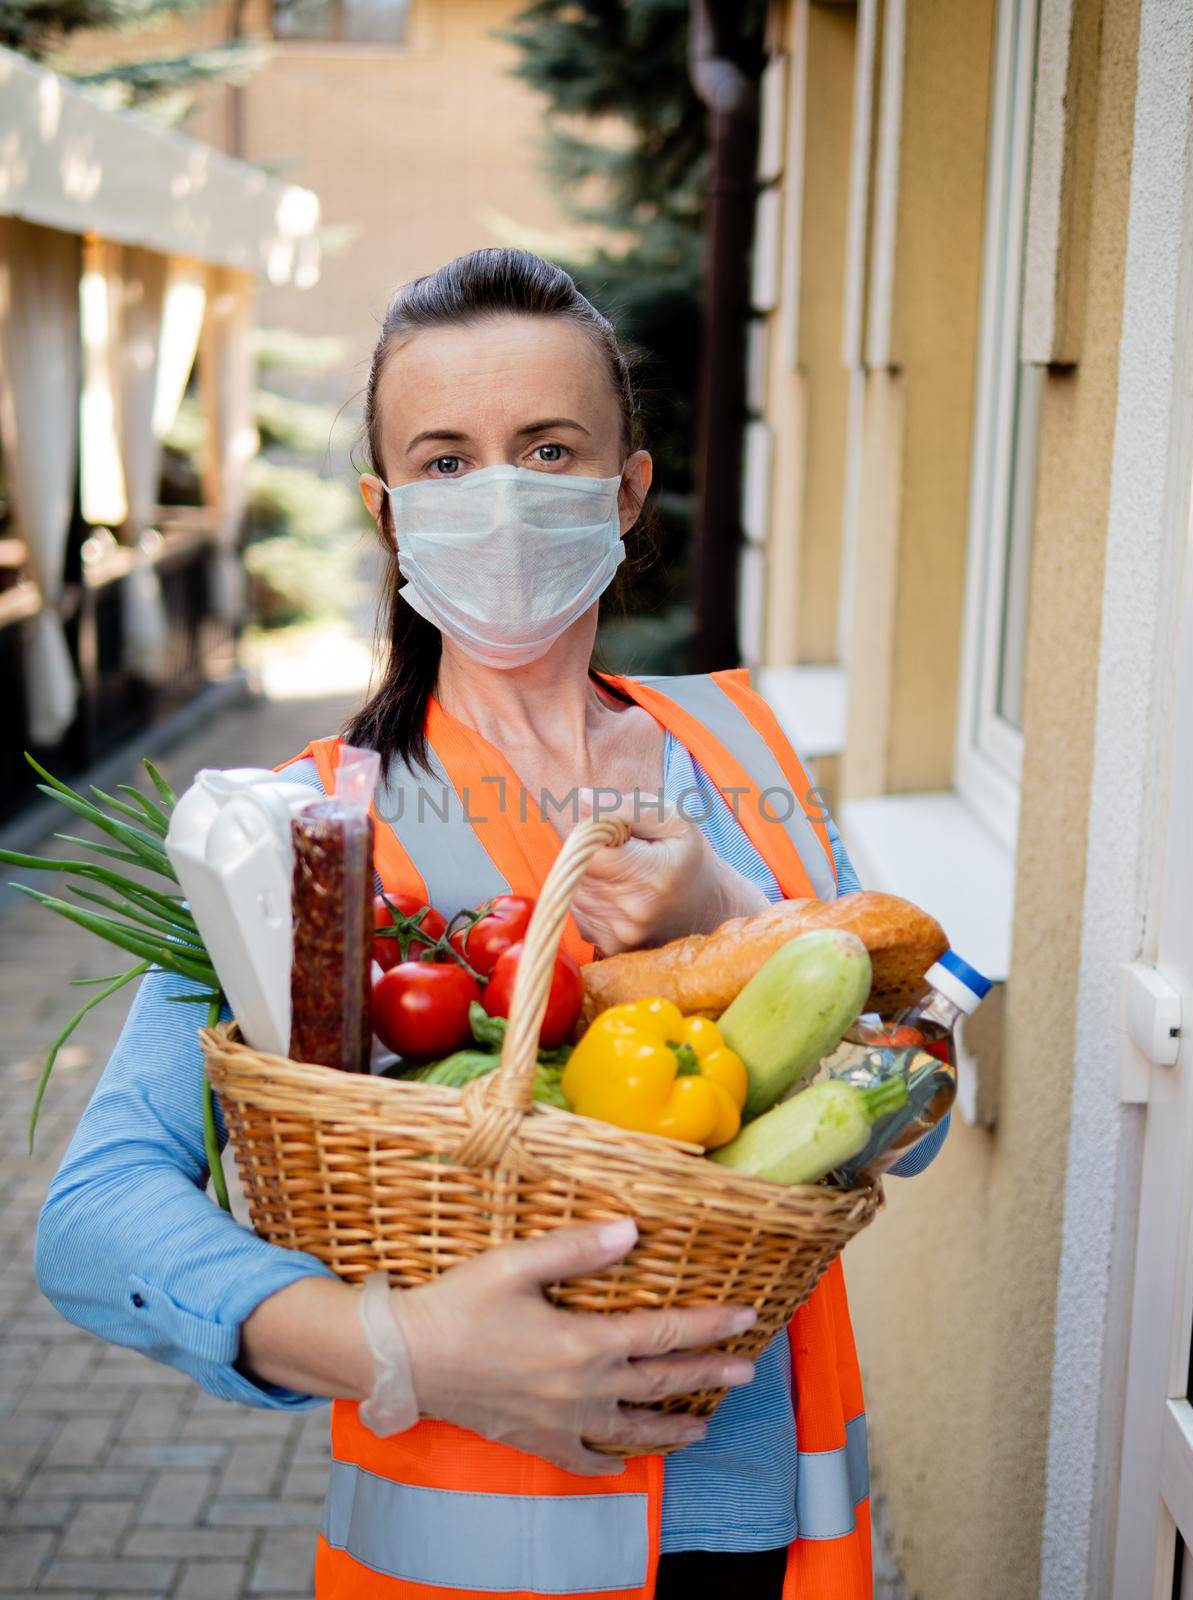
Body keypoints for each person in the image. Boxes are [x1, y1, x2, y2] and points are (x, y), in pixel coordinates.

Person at [36, 249, 945, 1600]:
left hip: (763, 1535)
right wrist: (399, 1349)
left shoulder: (737, 751)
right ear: (387, 512)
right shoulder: (302, 831)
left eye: (549, 447)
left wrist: (736, 921)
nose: (502, 498)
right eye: (446, 463)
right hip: (473, 1555)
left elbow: (915, 1107)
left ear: (626, 490)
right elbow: (94, 1216)